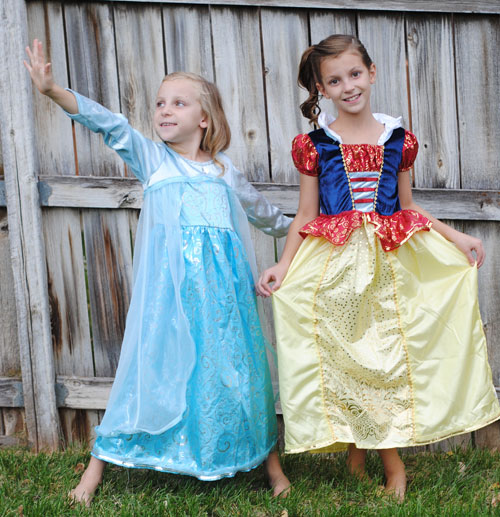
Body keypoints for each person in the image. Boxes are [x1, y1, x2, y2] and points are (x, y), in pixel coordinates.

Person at [25, 39, 291, 506]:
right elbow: (108, 124)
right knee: (146, 369)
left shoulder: (224, 171)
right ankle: (95, 470)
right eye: (160, 103)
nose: (165, 110)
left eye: (179, 103)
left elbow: (267, 216)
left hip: (226, 301)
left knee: (239, 371)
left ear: (205, 118)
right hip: (171, 298)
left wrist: (307, 232)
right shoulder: (155, 162)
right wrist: (52, 91)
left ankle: (269, 463)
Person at [257, 34, 500, 501]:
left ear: (371, 72)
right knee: (348, 357)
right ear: (322, 89)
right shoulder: (315, 146)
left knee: (383, 359)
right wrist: (283, 265)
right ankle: (366, 454)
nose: (347, 86)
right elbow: (306, 214)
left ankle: (386, 463)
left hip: (389, 265)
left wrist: (456, 236)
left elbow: (407, 206)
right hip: (336, 267)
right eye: (334, 80)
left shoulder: (398, 141)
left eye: (354, 74)